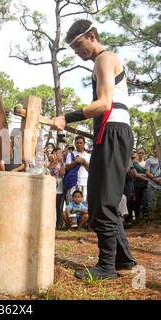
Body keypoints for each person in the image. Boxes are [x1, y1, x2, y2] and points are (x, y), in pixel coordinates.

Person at [52, 20, 136, 280]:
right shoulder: (101, 64)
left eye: (79, 45)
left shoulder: (105, 58)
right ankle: (123, 260)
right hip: (107, 134)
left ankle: (106, 266)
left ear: (92, 36)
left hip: (114, 132)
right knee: (102, 199)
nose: (78, 52)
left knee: (104, 201)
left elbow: (104, 103)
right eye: (74, 49)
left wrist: (67, 116)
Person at [64, 136, 91, 206]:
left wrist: (83, 161)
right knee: (71, 205)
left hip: (85, 183)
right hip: (73, 183)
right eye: (77, 143)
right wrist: (76, 162)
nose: (79, 144)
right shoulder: (71, 154)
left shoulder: (89, 156)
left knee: (84, 206)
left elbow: (91, 170)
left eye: (81, 143)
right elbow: (67, 167)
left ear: (84, 143)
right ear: (75, 144)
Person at [48, 147, 66, 230]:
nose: (58, 154)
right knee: (50, 207)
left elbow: (62, 173)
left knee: (59, 207)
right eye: (56, 152)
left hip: (60, 187)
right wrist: (52, 163)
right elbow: (47, 172)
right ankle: (50, 224)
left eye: (59, 153)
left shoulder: (62, 163)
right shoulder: (50, 162)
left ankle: (59, 224)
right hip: (50, 187)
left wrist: (61, 163)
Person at [132, 147, 149, 220]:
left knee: (146, 202)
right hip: (137, 185)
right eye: (139, 153)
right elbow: (136, 175)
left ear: (145, 155)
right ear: (137, 154)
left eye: (142, 153)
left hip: (146, 186)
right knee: (137, 202)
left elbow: (149, 173)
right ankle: (137, 218)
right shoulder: (134, 163)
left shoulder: (147, 163)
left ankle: (145, 218)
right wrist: (148, 178)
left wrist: (144, 175)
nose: (141, 154)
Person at [145, 144, 161, 212]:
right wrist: (155, 179)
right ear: (152, 150)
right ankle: (152, 219)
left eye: (157, 148)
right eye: (154, 149)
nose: (156, 150)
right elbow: (147, 172)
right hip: (152, 184)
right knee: (151, 204)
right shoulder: (149, 160)